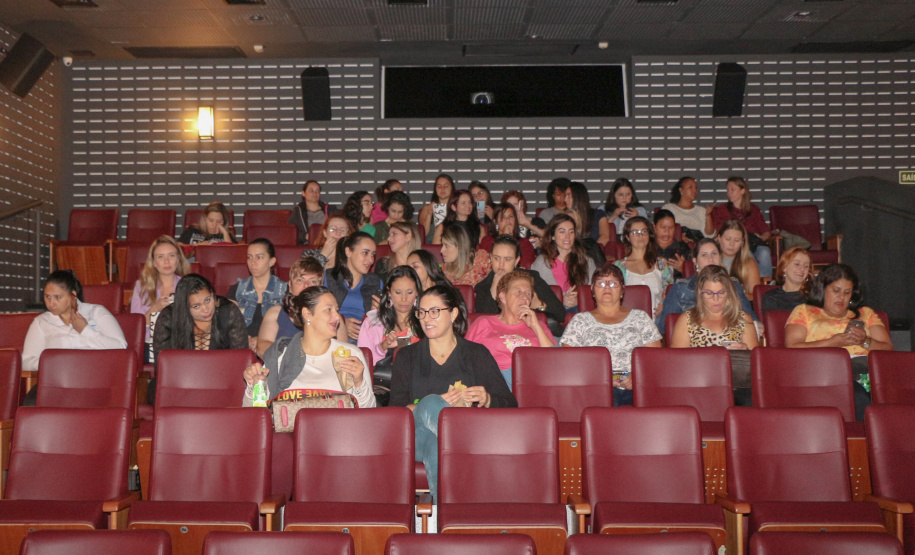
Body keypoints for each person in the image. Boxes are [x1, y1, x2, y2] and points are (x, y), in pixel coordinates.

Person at [389, 285, 516, 500]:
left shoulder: (476, 354)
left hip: (448, 438)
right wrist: (429, 405)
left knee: (436, 446)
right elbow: (395, 412)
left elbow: (510, 405)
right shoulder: (406, 357)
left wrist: (487, 398)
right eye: (422, 312)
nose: (426, 318)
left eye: (435, 311)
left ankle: (446, 517)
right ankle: (463, 448)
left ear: (453, 313)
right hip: (418, 437)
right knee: (430, 403)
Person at [785, 263, 892, 421]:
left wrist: (865, 341)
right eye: (836, 291)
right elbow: (792, 347)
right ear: (823, 289)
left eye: (847, 292)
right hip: (823, 373)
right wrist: (832, 343)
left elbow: (889, 350)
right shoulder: (804, 311)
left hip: (867, 373)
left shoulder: (866, 313)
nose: (841, 297)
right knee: (858, 396)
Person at [243, 286, 376, 409]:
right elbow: (256, 412)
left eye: (337, 310)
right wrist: (253, 385)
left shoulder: (350, 354)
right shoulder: (281, 354)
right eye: (328, 310)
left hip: (339, 431)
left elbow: (368, 412)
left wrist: (359, 382)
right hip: (292, 433)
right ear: (307, 314)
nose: (337, 317)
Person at [560, 264, 662, 407]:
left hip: (635, 386)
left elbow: (655, 358)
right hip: (595, 387)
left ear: (622, 290)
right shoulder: (580, 320)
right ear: (592, 290)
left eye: (613, 283)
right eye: (601, 283)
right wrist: (601, 378)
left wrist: (637, 377)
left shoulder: (641, 317)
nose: (607, 288)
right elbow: (570, 362)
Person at [151, 273, 248, 404]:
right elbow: (163, 367)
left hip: (221, 384)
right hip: (181, 384)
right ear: (185, 308)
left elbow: (240, 361)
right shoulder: (168, 318)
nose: (206, 309)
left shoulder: (228, 312)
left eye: (208, 300)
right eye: (196, 306)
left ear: (213, 294)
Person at [466, 269, 556, 390]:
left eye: (528, 294)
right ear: (503, 297)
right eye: (518, 292)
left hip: (531, 381)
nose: (524, 297)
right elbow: (464, 359)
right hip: (494, 380)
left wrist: (535, 327)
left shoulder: (539, 326)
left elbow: (555, 361)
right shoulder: (483, 323)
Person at [22, 270, 128, 372]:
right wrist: (54, 361)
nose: (51, 303)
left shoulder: (96, 312)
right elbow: (26, 361)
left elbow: (121, 347)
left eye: (58, 297)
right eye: (47, 296)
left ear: (73, 295)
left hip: (95, 377)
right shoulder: (41, 322)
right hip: (57, 381)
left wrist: (85, 330)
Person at [655, 238, 758, 334]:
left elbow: (752, 322)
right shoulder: (680, 287)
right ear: (695, 261)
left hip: (729, 341)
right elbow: (664, 326)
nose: (710, 259)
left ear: (720, 258)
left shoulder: (733, 284)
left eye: (714, 254)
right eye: (704, 255)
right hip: (693, 343)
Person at [474, 235, 566, 334]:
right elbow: (485, 324)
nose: (501, 265)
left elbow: (561, 314)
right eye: (497, 258)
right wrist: (492, 293)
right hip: (499, 338)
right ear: (491, 258)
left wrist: (539, 305)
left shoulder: (531, 278)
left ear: (516, 261)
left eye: (507, 259)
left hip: (532, 335)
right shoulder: (483, 286)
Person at [130, 235, 190, 362]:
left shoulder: (189, 285)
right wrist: (154, 309)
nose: (167, 261)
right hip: (149, 343)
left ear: (178, 259)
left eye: (171, 255)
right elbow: (135, 327)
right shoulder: (141, 287)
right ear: (154, 262)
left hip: (181, 343)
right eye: (161, 257)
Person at [670, 265, 759, 350]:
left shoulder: (744, 319)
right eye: (709, 293)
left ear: (729, 293)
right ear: (700, 293)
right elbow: (678, 360)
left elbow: (755, 361)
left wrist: (746, 352)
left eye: (721, 293)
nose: (715, 299)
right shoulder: (686, 320)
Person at [256, 256, 324, 356]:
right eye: (300, 280)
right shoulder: (275, 313)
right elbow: (261, 348)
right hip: (282, 368)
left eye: (313, 281)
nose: (306, 286)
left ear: (320, 287)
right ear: (290, 286)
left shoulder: (331, 315)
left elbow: (340, 352)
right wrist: (295, 355)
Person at [227, 238, 288, 350]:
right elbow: (228, 324)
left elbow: (289, 328)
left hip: (273, 349)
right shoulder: (236, 290)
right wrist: (243, 338)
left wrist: (261, 341)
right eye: (249, 257)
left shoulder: (286, 290)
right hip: (242, 348)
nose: (253, 262)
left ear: (272, 261)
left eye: (259, 257)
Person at [358, 265, 423, 366]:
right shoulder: (373, 322)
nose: (404, 299)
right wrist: (382, 347)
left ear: (417, 293)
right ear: (389, 292)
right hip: (383, 379)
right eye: (398, 292)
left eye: (409, 292)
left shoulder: (426, 320)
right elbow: (362, 363)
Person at [531, 213, 596, 312]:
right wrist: (561, 301)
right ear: (553, 236)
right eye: (562, 232)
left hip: (581, 312)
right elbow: (535, 296)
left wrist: (579, 300)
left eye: (571, 232)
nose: (567, 237)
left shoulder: (587, 262)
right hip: (553, 314)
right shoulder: (540, 263)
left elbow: (595, 292)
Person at [710, 176, 773, 278]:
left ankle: (767, 283)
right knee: (747, 253)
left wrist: (762, 238)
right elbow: (719, 230)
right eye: (728, 190)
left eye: (733, 189)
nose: (729, 193)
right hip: (736, 244)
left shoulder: (754, 209)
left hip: (753, 242)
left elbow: (765, 230)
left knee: (765, 251)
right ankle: (759, 283)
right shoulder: (722, 209)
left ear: (742, 191)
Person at [324, 232, 382, 342]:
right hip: (331, 335)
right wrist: (341, 323)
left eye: (373, 254)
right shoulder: (329, 278)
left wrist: (378, 313)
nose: (370, 260)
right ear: (348, 252)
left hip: (364, 339)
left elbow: (384, 321)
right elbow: (317, 311)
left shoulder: (376, 283)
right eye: (365, 253)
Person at [613, 217, 673, 317]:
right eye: (635, 232)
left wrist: (665, 306)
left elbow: (670, 295)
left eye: (644, 231)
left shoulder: (662, 265)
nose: (640, 235)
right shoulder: (617, 267)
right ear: (628, 237)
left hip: (656, 321)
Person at [661, 176, 715, 241]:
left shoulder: (701, 210)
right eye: (690, 187)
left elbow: (709, 235)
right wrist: (678, 237)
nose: (694, 190)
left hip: (697, 244)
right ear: (681, 190)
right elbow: (663, 231)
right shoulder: (669, 208)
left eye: (696, 188)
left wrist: (708, 215)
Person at [596, 178, 648, 245]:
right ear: (614, 195)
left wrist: (637, 218)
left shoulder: (640, 210)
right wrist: (613, 217)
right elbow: (599, 232)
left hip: (633, 243)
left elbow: (647, 232)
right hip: (610, 244)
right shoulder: (603, 209)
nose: (624, 198)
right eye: (620, 195)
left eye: (628, 194)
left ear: (632, 195)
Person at [761, 247, 813, 314]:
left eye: (806, 266)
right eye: (797, 264)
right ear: (784, 267)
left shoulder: (815, 296)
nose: (802, 269)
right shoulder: (771, 297)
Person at [717, 219, 761, 297]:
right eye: (728, 239)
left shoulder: (749, 263)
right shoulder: (711, 260)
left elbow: (756, 296)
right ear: (719, 238)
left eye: (737, 240)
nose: (732, 244)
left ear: (742, 243)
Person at [289, 179, 332, 245]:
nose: (314, 193)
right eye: (311, 190)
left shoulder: (329, 210)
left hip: (328, 243)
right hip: (307, 245)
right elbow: (290, 233)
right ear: (303, 193)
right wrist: (305, 237)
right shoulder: (298, 211)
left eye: (317, 191)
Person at [654, 209, 692, 279]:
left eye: (671, 228)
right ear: (654, 227)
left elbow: (695, 275)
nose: (667, 231)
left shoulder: (683, 248)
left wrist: (683, 269)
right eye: (663, 227)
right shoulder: (647, 247)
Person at [419, 173, 454, 244]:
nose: (442, 189)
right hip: (430, 243)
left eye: (446, 186)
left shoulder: (456, 207)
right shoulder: (427, 208)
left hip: (451, 243)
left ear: (452, 188)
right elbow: (423, 233)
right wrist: (429, 214)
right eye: (439, 186)